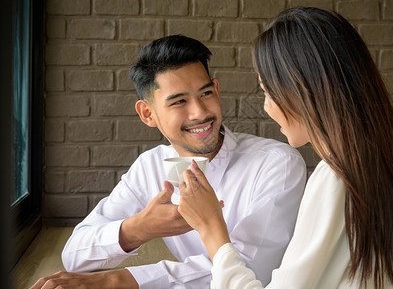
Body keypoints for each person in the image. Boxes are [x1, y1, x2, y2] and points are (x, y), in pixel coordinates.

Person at [177, 7, 393, 289]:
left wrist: (212, 230)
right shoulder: (379, 167)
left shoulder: (337, 179)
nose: (266, 107)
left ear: (300, 88)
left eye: (266, 91)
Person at [31, 35, 307, 289]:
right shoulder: (149, 167)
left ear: (217, 90)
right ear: (147, 114)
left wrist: (120, 279)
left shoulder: (277, 164)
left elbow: (250, 268)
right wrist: (139, 228)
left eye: (206, 94)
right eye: (179, 102)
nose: (200, 112)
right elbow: (75, 256)